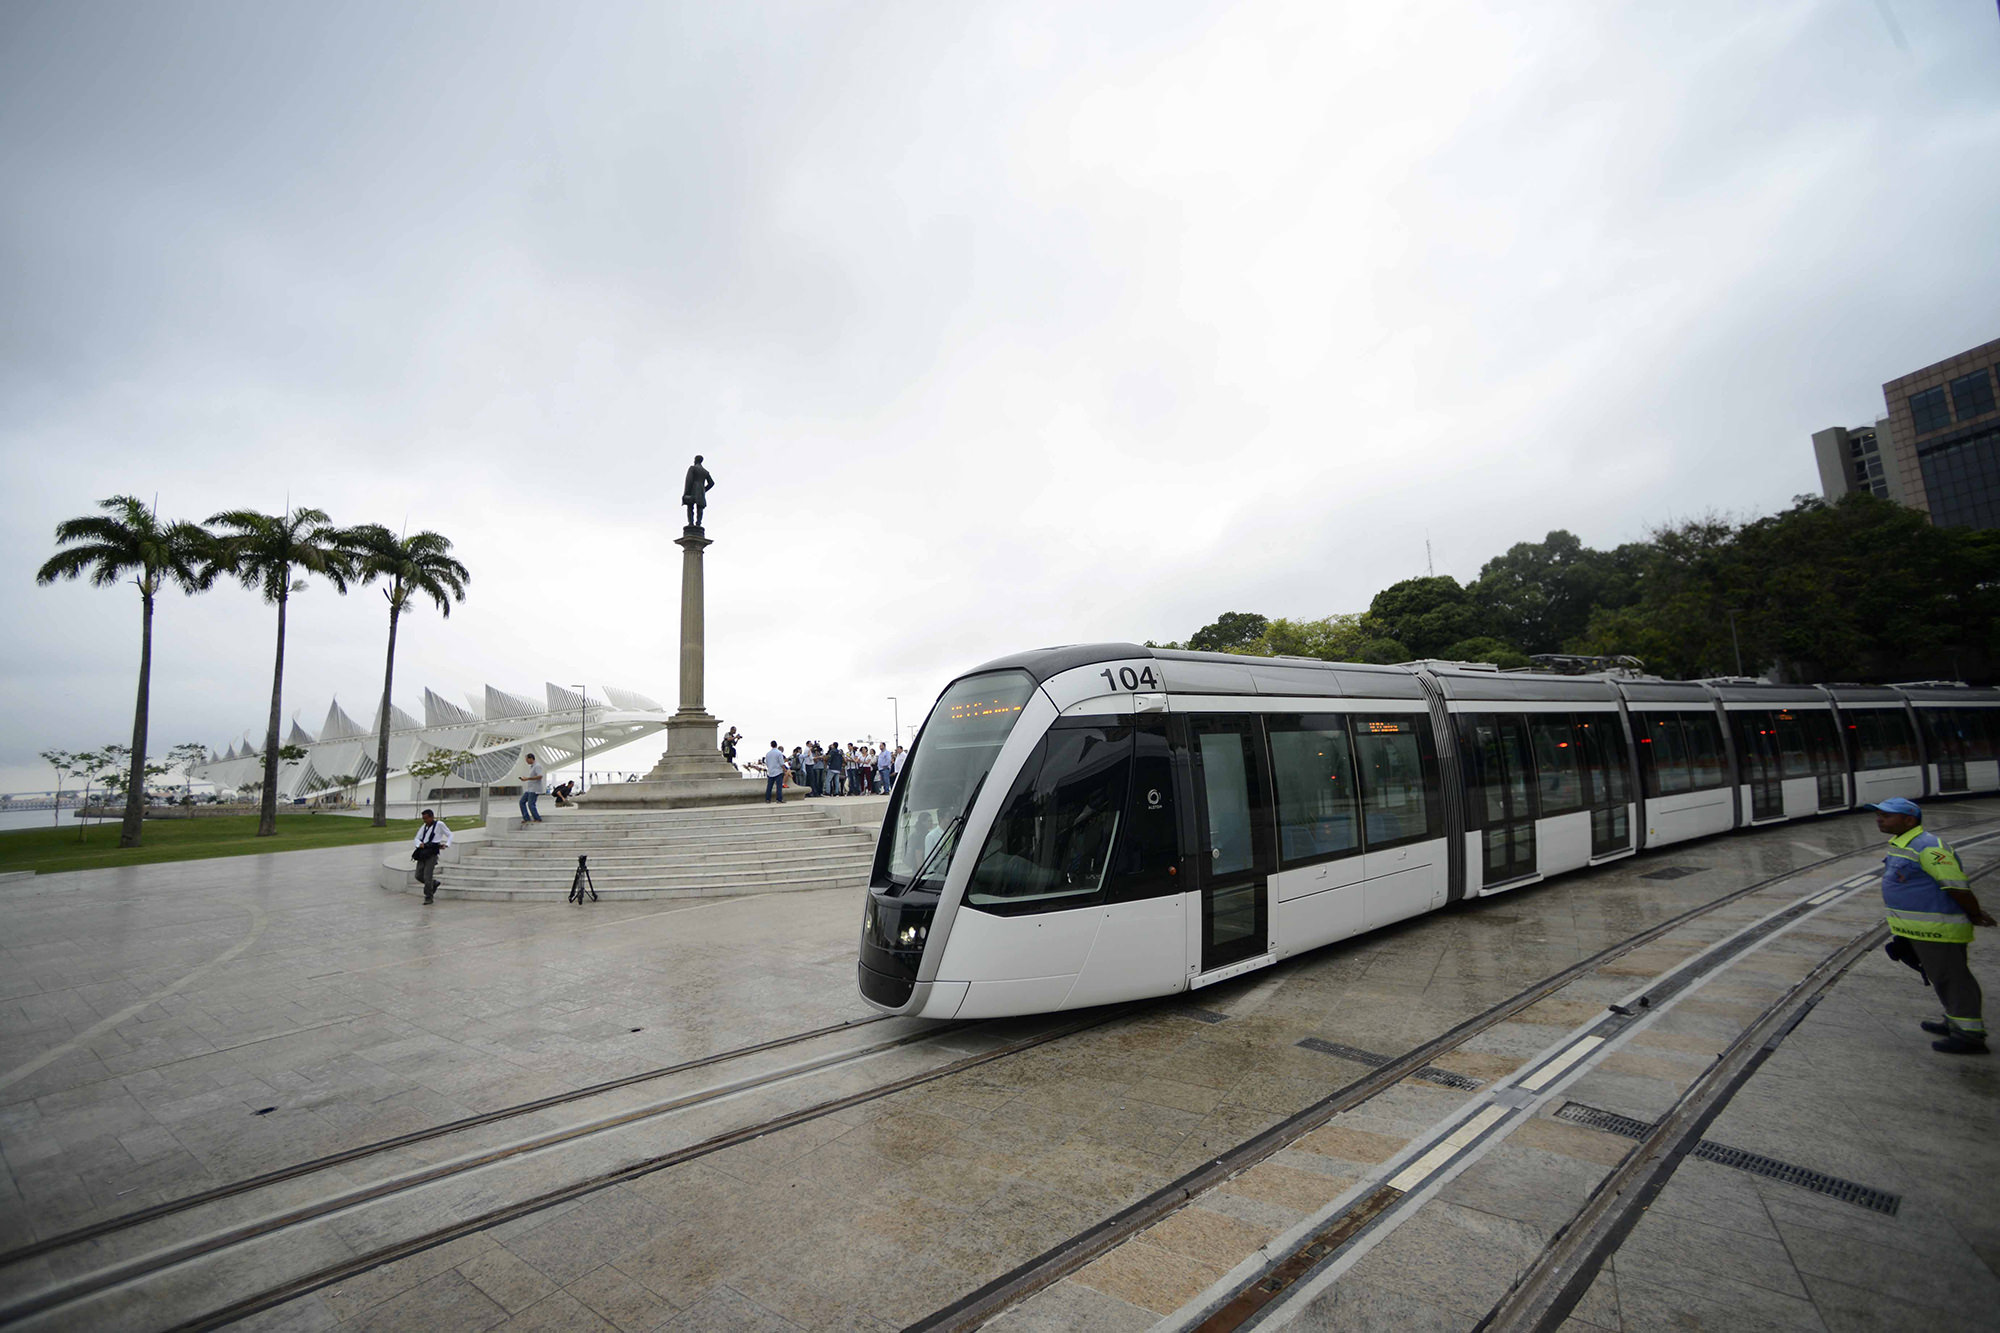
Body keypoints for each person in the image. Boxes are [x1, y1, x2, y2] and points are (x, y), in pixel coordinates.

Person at [1871, 797, 1993, 1054]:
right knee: (1942, 977)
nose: (1879, 819)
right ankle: (1955, 1019)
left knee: (1954, 979)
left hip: (1939, 928)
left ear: (1909, 820)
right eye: (1879, 814)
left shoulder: (1928, 846)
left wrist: (1974, 913)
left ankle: (1970, 1035)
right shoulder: (1902, 843)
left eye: (1886, 815)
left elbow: (1956, 885)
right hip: (1921, 929)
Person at [411, 808, 452, 904]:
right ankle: (434, 884)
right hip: (423, 852)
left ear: (431, 817)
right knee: (418, 875)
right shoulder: (424, 827)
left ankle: (428, 896)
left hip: (432, 852)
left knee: (427, 876)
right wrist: (419, 844)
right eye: (423, 819)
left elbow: (450, 834)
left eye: (426, 818)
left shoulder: (439, 825)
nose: (424, 821)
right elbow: (417, 838)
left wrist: (447, 844)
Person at [682, 454, 715, 528]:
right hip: (701, 491)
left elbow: (689, 480)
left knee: (690, 506)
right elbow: (712, 483)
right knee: (700, 508)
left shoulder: (692, 468)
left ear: (696, 460)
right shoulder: (705, 472)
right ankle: (698, 523)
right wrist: (704, 490)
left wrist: (686, 493)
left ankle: (691, 523)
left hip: (693, 489)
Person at [519, 753, 546, 825]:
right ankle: (526, 818)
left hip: (535, 789)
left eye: (527, 760)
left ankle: (537, 818)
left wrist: (528, 778)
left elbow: (540, 776)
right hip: (530, 789)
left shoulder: (537, 766)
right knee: (522, 802)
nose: (526, 761)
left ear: (531, 758)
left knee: (531, 804)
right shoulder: (532, 767)